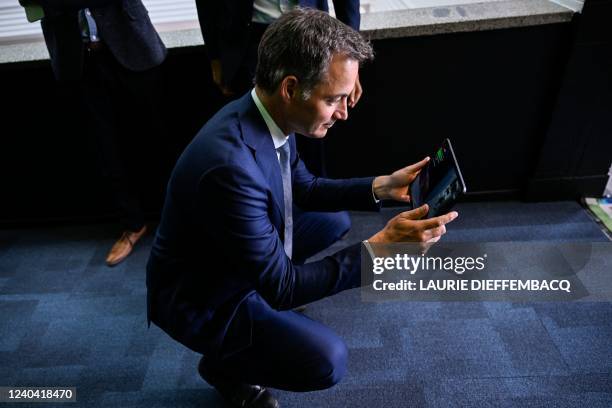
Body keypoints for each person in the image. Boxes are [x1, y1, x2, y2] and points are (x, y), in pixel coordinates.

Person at [146, 8, 458, 408]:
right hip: (201, 298)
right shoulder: (230, 168)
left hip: (231, 256)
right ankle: (224, 366)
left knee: (333, 220)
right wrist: (379, 252)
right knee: (327, 360)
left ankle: (252, 336)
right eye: (335, 99)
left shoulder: (266, 110)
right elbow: (284, 288)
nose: (344, 113)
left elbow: (303, 186)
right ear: (291, 88)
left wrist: (380, 186)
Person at [36, 0, 167, 266]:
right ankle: (133, 225)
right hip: (77, 55)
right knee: (105, 148)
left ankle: (182, 220)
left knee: (155, 140)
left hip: (130, 45)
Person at [195, 0, 362, 177]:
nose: (343, 114)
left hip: (312, 36)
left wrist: (349, 59)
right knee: (256, 144)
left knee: (311, 146)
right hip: (248, 39)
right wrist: (214, 56)